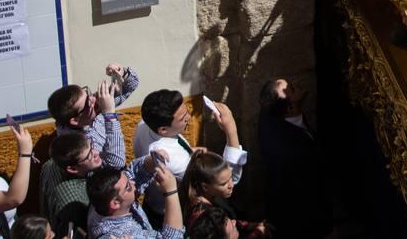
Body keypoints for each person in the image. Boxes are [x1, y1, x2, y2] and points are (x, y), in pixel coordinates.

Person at [131, 91, 246, 223]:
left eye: (186, 111)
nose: (189, 117)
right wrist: (231, 129)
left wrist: (190, 151)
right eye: (182, 118)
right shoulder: (171, 159)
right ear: (163, 130)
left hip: (152, 203)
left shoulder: (144, 125)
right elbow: (226, 177)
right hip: (173, 215)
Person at [256, 79, 332, 239]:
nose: (296, 84)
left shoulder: (269, 112)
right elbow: (314, 191)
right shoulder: (297, 150)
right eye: (291, 88)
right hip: (300, 220)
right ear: (290, 108)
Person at [41, 123, 128, 235]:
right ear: (72, 169)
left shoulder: (52, 162)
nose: (97, 153)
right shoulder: (74, 201)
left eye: (91, 147)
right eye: (89, 156)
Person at [49, 65, 136, 166]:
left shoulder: (89, 111)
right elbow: (117, 164)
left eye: (87, 93)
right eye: (87, 103)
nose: (93, 99)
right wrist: (109, 114)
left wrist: (121, 72)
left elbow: (131, 85)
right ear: (75, 120)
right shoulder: (80, 145)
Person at [86, 154, 183, 239]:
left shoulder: (100, 199)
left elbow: (132, 173)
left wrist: (151, 161)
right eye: (128, 187)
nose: (133, 183)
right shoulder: (125, 234)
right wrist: (171, 192)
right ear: (115, 203)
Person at [180, 153, 264, 239]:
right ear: (205, 187)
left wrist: (249, 226)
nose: (231, 185)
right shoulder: (205, 219)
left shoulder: (210, 197)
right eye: (224, 184)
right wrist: (258, 233)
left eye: (230, 177)